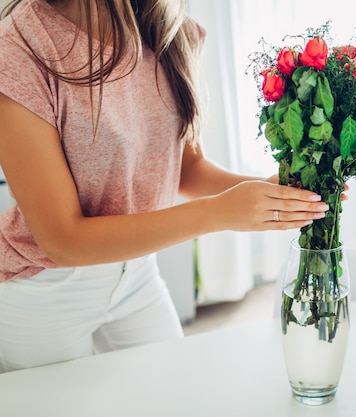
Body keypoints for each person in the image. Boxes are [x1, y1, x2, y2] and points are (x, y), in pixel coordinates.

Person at [0, 0, 331, 373]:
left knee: (175, 391)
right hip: (45, 287)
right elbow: (62, 240)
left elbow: (187, 168)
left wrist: (272, 191)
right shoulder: (20, 47)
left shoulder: (169, 29)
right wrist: (218, 213)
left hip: (136, 274)